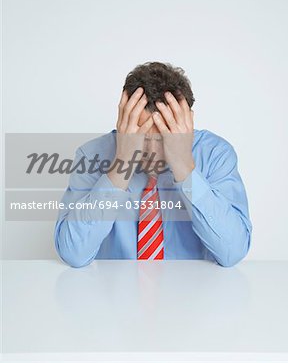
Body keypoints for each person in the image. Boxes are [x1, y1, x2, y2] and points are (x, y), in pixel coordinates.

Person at [54, 61, 252, 267]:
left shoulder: (215, 154)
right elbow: (73, 254)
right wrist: (122, 163)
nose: (151, 152)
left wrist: (184, 167)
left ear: (187, 124)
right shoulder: (91, 155)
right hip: (113, 295)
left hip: (193, 293)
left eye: (164, 138)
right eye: (140, 136)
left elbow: (233, 252)